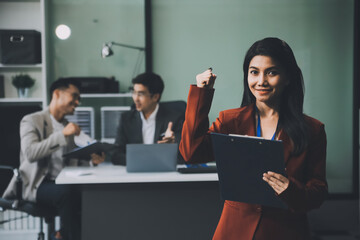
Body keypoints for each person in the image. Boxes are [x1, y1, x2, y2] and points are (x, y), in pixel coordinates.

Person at [179, 37, 327, 240]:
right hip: (233, 232)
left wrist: (291, 189)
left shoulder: (313, 129)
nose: (261, 81)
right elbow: (191, 153)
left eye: (272, 72)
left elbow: (318, 192)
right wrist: (202, 93)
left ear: (288, 77)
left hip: (285, 231)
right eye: (254, 72)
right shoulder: (229, 121)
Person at [3, 78, 105, 240]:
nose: (77, 102)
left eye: (79, 99)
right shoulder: (31, 120)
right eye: (74, 96)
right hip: (37, 184)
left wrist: (92, 160)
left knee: (89, 194)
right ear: (57, 93)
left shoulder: (67, 125)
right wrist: (62, 135)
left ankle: (62, 235)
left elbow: (71, 160)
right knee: (67, 193)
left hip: (63, 182)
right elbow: (30, 153)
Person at [109, 72, 185, 165]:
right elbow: (115, 155)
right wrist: (142, 161)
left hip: (164, 173)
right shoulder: (126, 119)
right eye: (134, 92)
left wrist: (172, 145)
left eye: (140, 94)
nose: (135, 98)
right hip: (136, 173)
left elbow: (184, 155)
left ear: (155, 97)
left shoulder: (175, 119)